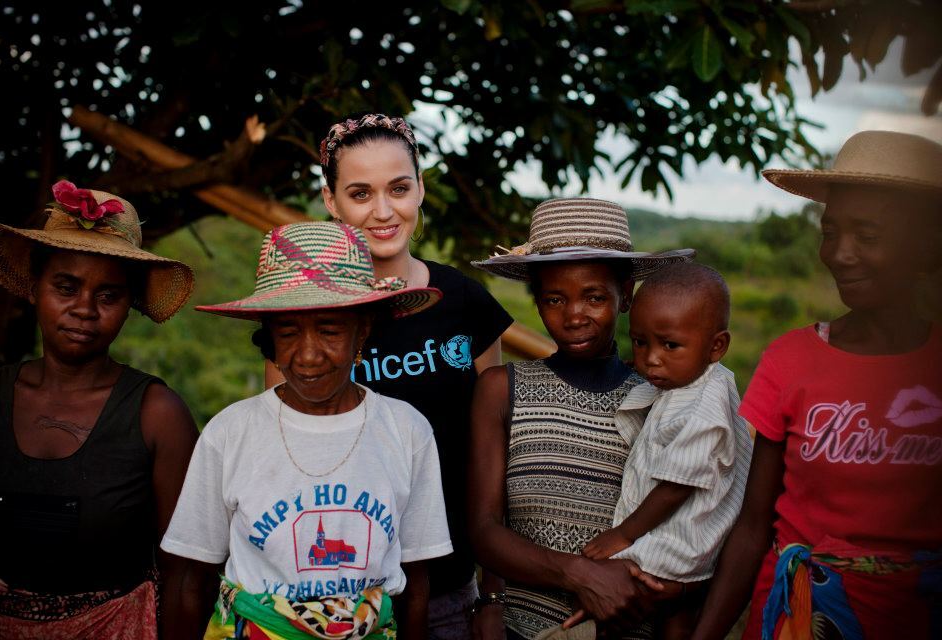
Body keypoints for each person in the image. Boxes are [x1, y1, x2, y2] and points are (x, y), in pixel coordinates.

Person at [269, 112, 514, 638]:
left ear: (421, 189)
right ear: (331, 201)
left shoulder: (466, 301)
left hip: (451, 586)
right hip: (330, 593)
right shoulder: (303, 319)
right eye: (360, 193)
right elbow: (281, 452)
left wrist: (491, 592)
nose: (384, 211)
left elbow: (491, 453)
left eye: (399, 188)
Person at [691, 130, 942, 640]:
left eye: (867, 236)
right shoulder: (791, 360)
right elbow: (754, 525)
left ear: (927, 244)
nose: (840, 254)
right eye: (831, 232)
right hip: (801, 619)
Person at [161, 221, 454, 640]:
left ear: (363, 329)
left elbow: (416, 581)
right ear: (269, 338)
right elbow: (192, 577)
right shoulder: (230, 432)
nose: (309, 355)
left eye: (330, 330)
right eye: (288, 332)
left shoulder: (406, 430)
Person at [467, 197, 695, 639]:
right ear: (535, 301)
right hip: (521, 628)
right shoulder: (501, 389)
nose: (574, 316)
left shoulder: (660, 401)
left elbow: (684, 531)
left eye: (594, 297)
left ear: (625, 296)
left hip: (628, 626)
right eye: (554, 299)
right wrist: (578, 574)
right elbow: (483, 529)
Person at [0, 180, 199, 639]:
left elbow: (184, 576)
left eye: (108, 296)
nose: (84, 309)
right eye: (66, 286)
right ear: (35, 287)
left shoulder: (158, 415)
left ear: (128, 306)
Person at [569, 262, 752, 640]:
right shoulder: (688, 380)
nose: (651, 358)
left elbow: (676, 487)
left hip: (679, 541)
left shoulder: (705, 403)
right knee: (675, 621)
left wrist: (623, 534)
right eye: (640, 342)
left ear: (717, 346)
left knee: (607, 601)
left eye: (670, 345)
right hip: (682, 539)